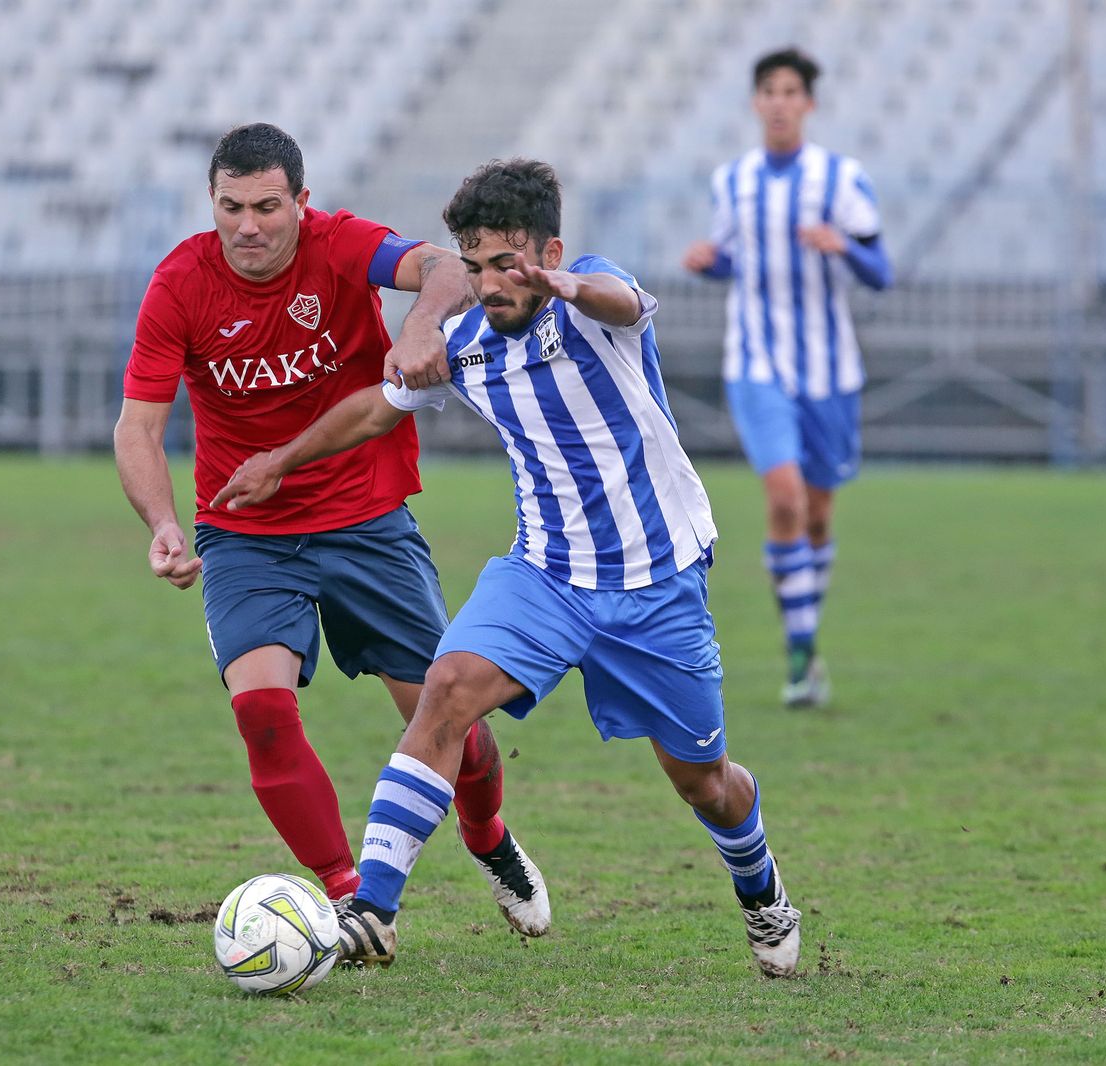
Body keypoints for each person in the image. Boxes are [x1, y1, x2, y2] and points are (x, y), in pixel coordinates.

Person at [216, 159, 802, 979]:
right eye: (480, 265)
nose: (494, 283)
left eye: (511, 263)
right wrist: (281, 458)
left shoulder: (596, 302)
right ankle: (372, 911)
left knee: (705, 782)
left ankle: (762, 887)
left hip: (656, 582)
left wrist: (559, 283)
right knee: (447, 686)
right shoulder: (468, 344)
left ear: (551, 252)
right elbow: (373, 409)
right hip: (545, 575)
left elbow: (621, 300)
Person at [112, 123, 549, 938]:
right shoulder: (179, 283)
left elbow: (448, 265)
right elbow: (138, 425)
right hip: (244, 533)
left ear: (301, 203)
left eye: (267, 206)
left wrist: (419, 326)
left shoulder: (342, 243)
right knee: (263, 713)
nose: (248, 226)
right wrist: (164, 523)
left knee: (455, 724)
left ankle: (488, 837)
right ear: (212, 203)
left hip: (366, 519)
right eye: (231, 207)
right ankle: (349, 897)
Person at [682, 47, 893, 708]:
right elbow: (731, 262)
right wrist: (708, 262)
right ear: (755, 102)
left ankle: (807, 637)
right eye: (768, 90)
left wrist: (845, 248)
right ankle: (800, 657)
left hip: (829, 371)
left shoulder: (841, 178)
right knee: (784, 500)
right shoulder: (732, 181)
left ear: (809, 104)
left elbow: (881, 271)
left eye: (790, 91)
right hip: (756, 363)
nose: (778, 101)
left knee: (819, 513)